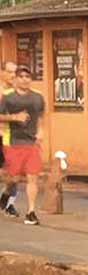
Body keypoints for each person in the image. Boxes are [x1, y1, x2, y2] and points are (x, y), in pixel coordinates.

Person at [0, 66, 45, 225]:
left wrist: (40, 132)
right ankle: (6, 194)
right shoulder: (7, 97)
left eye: (28, 76)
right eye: (21, 76)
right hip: (13, 141)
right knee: (14, 178)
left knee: (33, 177)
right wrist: (14, 117)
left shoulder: (38, 97)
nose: (25, 79)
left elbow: (40, 117)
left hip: (31, 142)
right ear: (16, 80)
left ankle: (31, 212)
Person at [0, 61, 24, 218]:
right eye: (9, 72)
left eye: (14, 73)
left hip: (14, 137)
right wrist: (14, 117)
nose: (12, 76)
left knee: (16, 173)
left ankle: (7, 202)